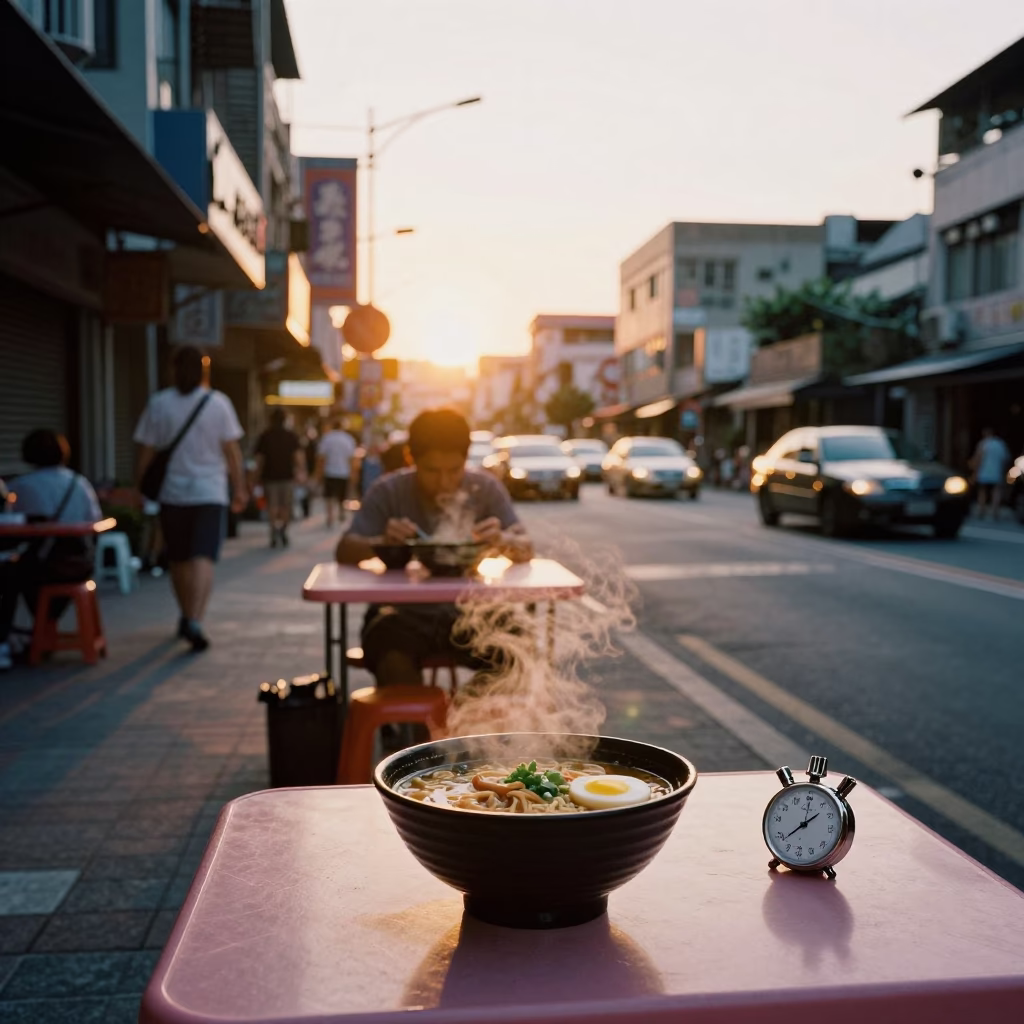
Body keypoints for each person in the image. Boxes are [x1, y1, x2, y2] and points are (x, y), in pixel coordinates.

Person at [337, 408, 533, 687]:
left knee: (520, 647)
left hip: (473, 611)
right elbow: (344, 549)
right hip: (403, 614)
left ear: (466, 460)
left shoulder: (485, 488)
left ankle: (461, 722)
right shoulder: (389, 491)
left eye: (454, 471)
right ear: (410, 458)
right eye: (432, 470)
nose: (444, 482)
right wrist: (380, 542)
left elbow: (526, 547)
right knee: (387, 648)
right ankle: (416, 729)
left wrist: (504, 540)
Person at [133, 346, 248, 652]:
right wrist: (239, 488)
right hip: (210, 492)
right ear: (204, 371)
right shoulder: (218, 403)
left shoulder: (159, 403)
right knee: (203, 557)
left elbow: (145, 451)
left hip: (173, 493)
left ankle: (185, 614)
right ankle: (195, 619)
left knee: (178, 558)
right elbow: (232, 452)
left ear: (173, 369)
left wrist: (138, 487)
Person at [0, 430, 102, 671]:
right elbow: (94, 519)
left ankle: (6, 639)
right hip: (80, 565)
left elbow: (9, 521)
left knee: (7, 574)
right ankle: (39, 633)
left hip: (44, 568)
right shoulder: (80, 483)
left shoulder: (20, 486)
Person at [253, 409, 305, 548]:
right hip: (287, 477)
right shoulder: (291, 436)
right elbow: (298, 457)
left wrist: (254, 477)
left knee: (272, 506)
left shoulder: (265, 436)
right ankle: (283, 530)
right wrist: (301, 472)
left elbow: (259, 460)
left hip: (269, 477)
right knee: (286, 506)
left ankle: (273, 531)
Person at [316, 418, 357, 528]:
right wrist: (353, 473)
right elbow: (352, 459)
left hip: (330, 472)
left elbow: (321, 458)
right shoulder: (348, 439)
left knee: (329, 496)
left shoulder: (327, 438)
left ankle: (330, 517)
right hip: (344, 472)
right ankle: (341, 513)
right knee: (341, 495)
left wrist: (318, 474)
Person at [970, 427, 1011, 521]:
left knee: (982, 491)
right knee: (996, 491)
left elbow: (978, 458)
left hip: (984, 472)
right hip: (996, 472)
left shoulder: (983, 444)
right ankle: (995, 511)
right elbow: (1006, 459)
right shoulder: (1000, 444)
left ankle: (981, 510)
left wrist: (975, 472)